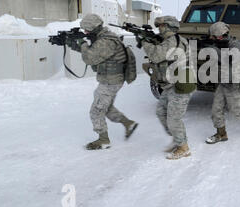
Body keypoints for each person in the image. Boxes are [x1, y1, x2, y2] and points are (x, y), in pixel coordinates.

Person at [67, 13, 138, 150]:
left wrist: (81, 43)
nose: (85, 33)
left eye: (87, 30)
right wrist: (72, 43)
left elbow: (89, 58)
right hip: (111, 79)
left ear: (94, 28)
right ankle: (128, 124)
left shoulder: (106, 41)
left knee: (96, 111)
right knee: (107, 107)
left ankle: (103, 140)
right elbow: (93, 51)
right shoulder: (102, 38)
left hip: (110, 81)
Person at [139, 16, 195, 160]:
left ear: (169, 26)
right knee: (161, 112)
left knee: (174, 119)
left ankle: (183, 148)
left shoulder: (174, 41)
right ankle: (178, 139)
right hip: (171, 83)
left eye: (162, 26)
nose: (159, 28)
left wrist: (145, 42)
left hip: (181, 83)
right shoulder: (168, 41)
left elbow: (156, 55)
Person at [205, 22, 240, 144]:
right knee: (216, 110)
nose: (212, 38)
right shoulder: (218, 44)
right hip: (224, 81)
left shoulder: (235, 45)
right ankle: (221, 133)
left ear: (219, 36)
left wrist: (214, 51)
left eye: (213, 36)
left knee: (237, 111)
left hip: (235, 83)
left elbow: (231, 59)